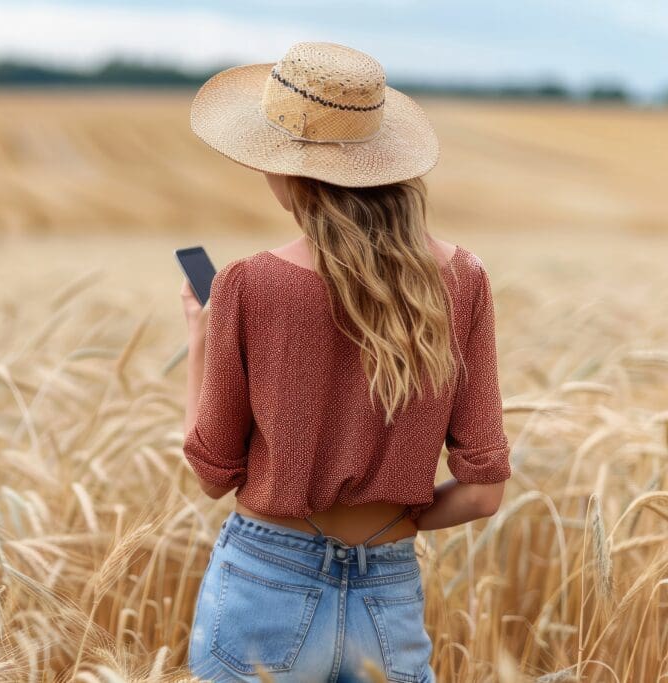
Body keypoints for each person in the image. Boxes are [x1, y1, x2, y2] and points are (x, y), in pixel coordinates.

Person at [179, 42, 512, 682]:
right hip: (387, 597)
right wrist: (388, 518)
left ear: (289, 172)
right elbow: (482, 493)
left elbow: (212, 470)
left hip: (263, 582)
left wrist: (201, 337)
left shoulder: (247, 286)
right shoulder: (463, 280)